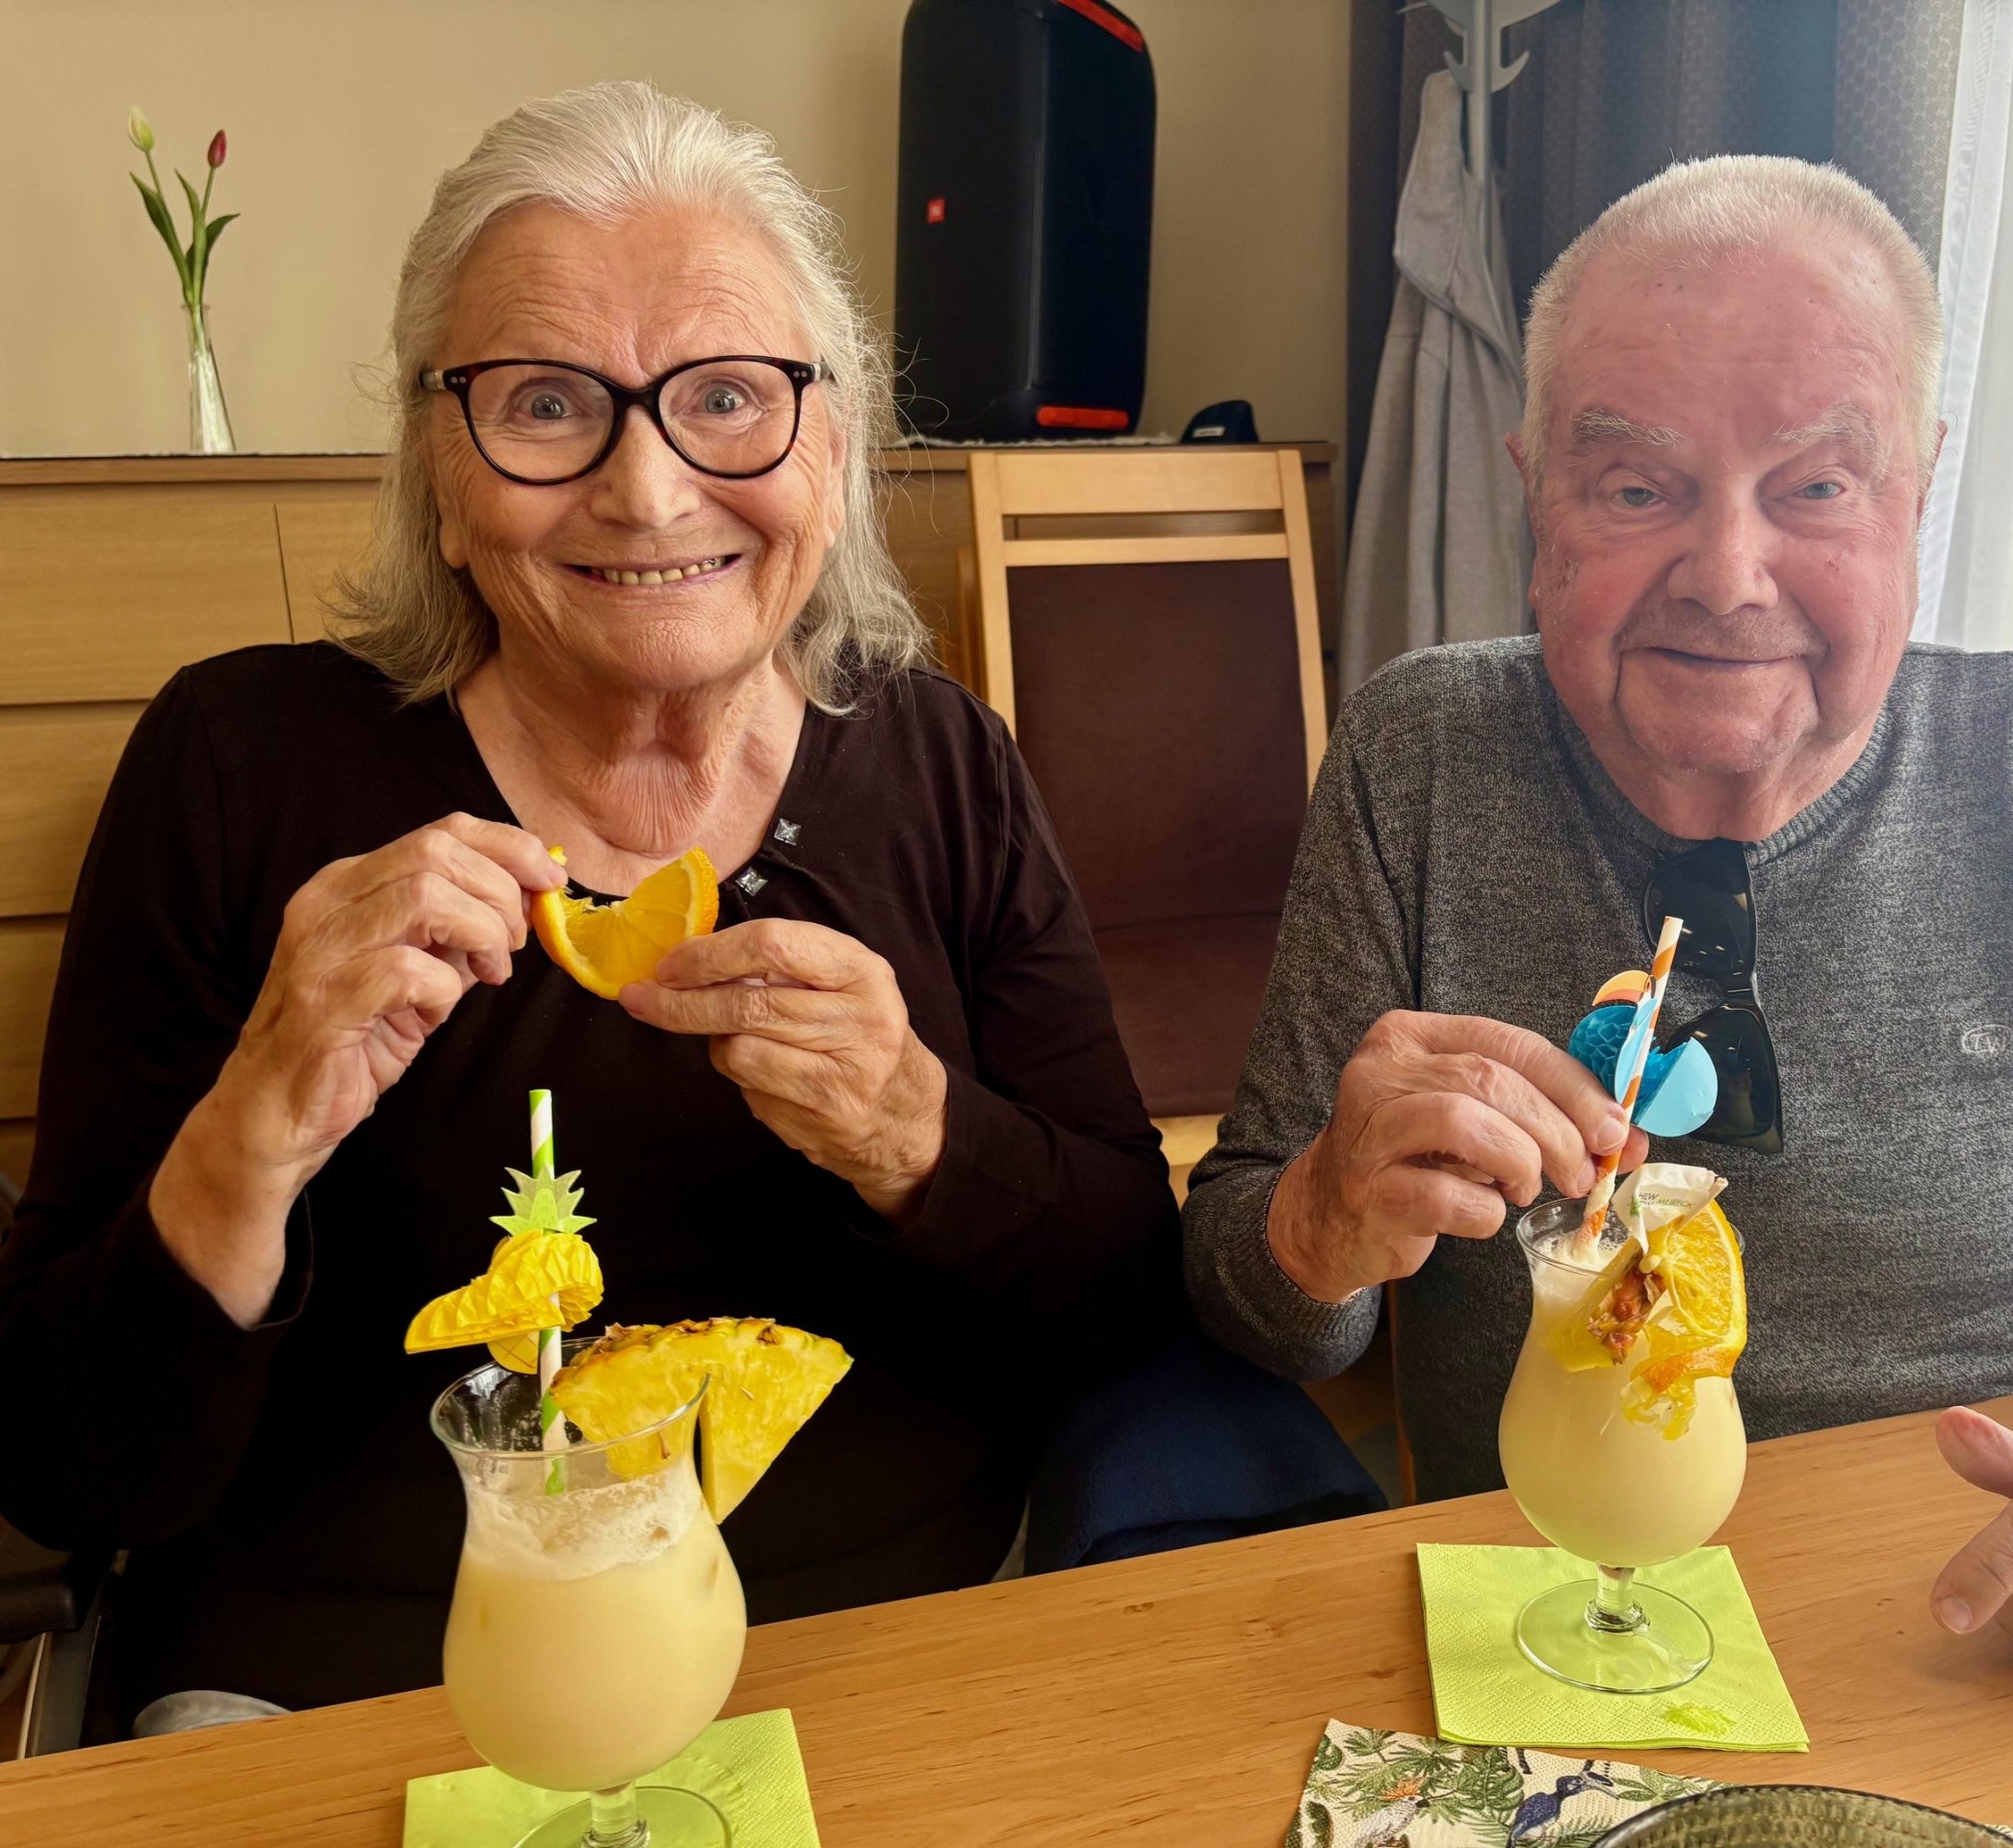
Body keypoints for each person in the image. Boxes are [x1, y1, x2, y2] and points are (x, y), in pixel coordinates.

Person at [1184, 154, 2013, 1704]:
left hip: (1985, 1656)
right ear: (1538, 494)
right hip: (1547, 1656)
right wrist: (1322, 1216)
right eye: (1637, 487)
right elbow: (1252, 1296)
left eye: (1817, 488)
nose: (1728, 580)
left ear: (1919, 490)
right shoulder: (1422, 759)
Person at [0, 82, 1177, 1728]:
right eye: (549, 403)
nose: (648, 488)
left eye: (729, 397)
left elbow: (1131, 1306)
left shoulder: (942, 764)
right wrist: (247, 1138)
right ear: (440, 469)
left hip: (893, 1659)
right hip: (357, 1695)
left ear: (831, 450)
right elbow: (65, 1467)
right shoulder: (238, 766)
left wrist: (922, 1132)